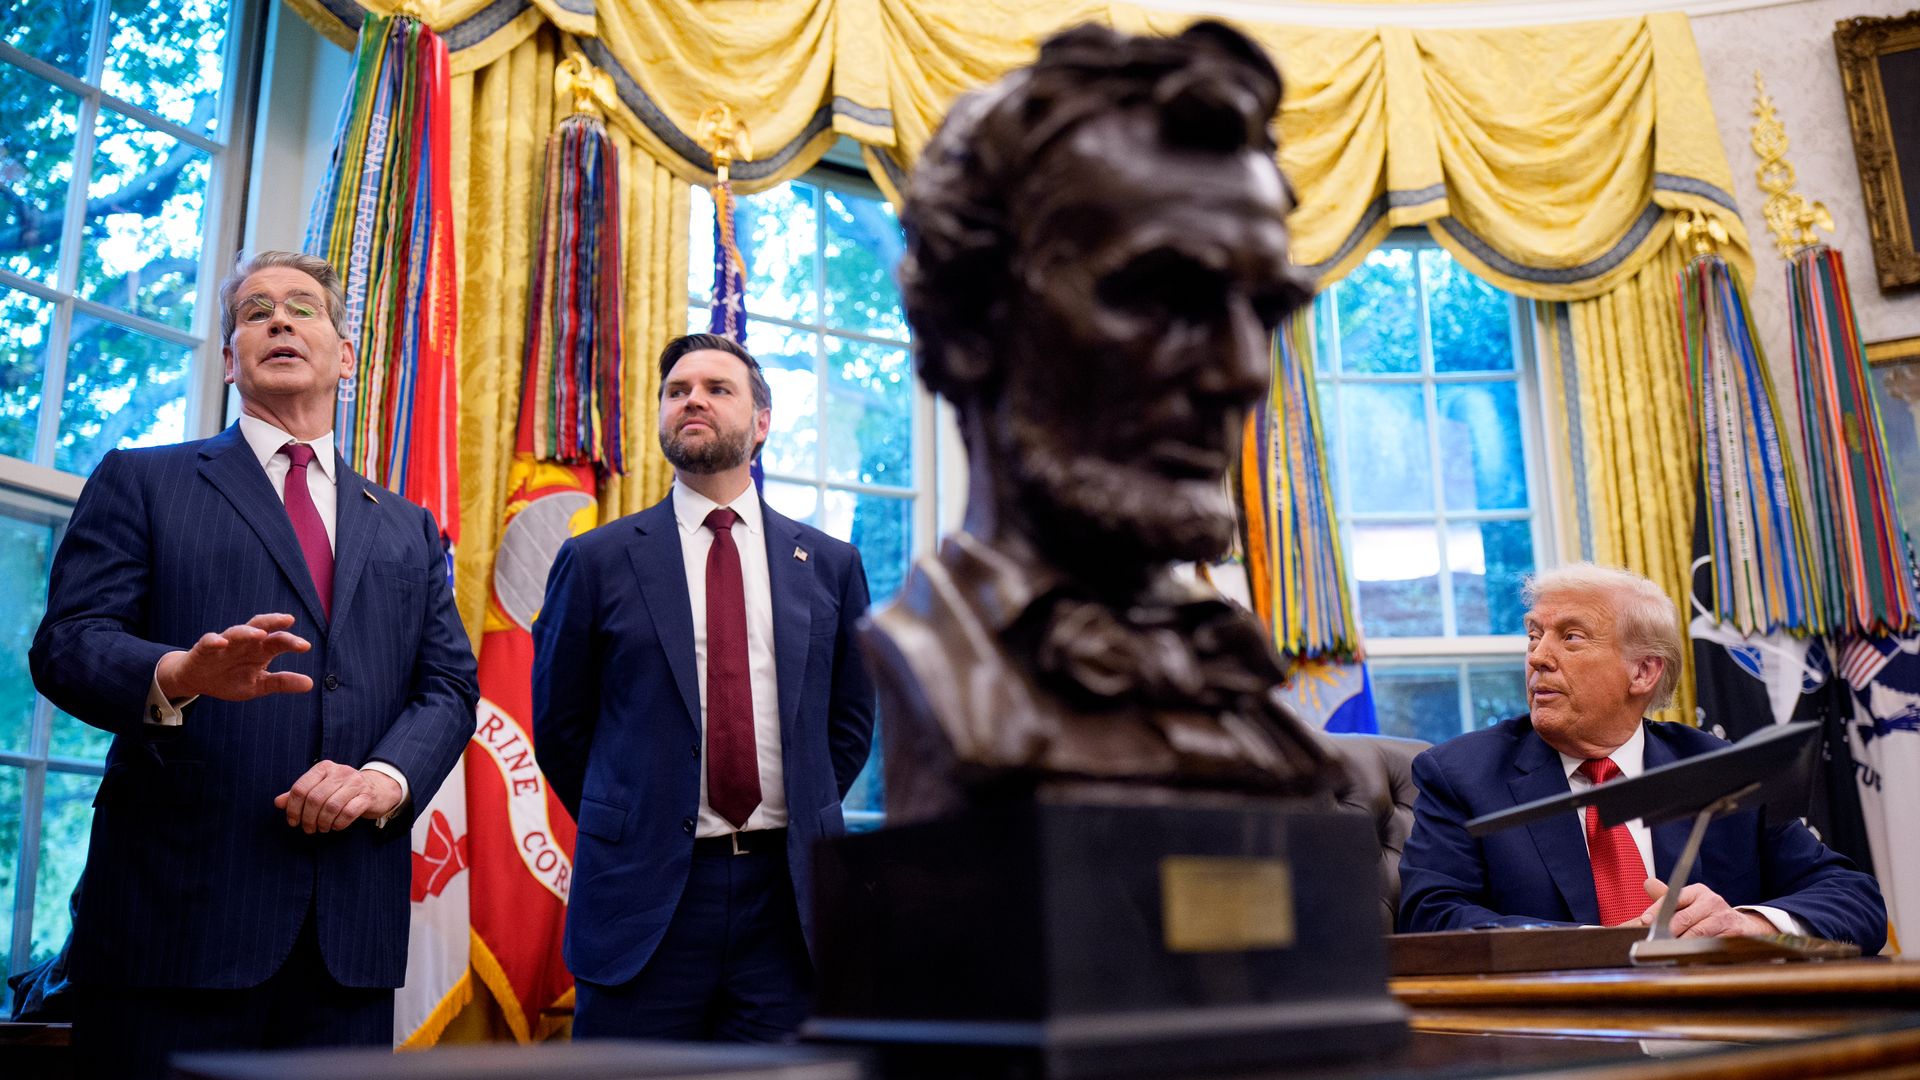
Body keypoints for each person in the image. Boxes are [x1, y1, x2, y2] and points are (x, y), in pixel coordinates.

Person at [863, 19, 1335, 823]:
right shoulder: (938, 670)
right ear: (976, 326)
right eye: (1161, 298)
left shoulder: (1242, 688)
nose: (1244, 371)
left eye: (1264, 311)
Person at [29, 250, 478, 1076]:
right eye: (256, 309)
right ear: (231, 359)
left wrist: (385, 778)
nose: (279, 319)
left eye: (304, 307)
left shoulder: (409, 527)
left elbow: (448, 684)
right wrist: (179, 675)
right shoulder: (144, 480)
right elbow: (67, 644)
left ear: (346, 357)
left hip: (348, 942)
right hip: (175, 926)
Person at [532, 333, 877, 1041]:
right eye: (676, 390)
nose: (693, 398)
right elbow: (562, 730)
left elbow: (848, 725)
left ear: (761, 422)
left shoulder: (832, 565)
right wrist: (638, 815)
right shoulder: (594, 561)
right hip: (643, 900)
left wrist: (800, 805)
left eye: (718, 388)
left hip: (788, 907)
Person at [1397, 563, 1885, 951]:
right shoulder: (1463, 775)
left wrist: (1748, 924)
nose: (1538, 656)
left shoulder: (1719, 770)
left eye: (1570, 637)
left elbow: (1856, 900)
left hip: (1712, 1032)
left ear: (1643, 672)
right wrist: (1600, 948)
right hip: (1556, 1036)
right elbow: (1430, 917)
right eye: (1533, 634)